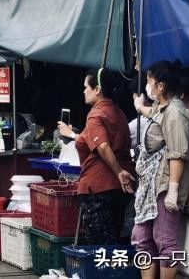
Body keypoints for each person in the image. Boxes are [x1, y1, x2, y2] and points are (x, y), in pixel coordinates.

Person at [57, 68, 135, 245]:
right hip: (119, 188)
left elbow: (102, 145)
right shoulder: (118, 113)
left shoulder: (96, 114)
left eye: (86, 87)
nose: (84, 91)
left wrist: (118, 172)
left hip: (99, 188)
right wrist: (72, 134)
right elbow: (92, 141)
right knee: (114, 238)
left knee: (101, 244)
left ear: (97, 89)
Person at [132, 60, 189, 279]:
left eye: (149, 81)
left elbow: (178, 153)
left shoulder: (176, 113)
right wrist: (140, 108)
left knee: (165, 240)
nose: (147, 86)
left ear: (161, 86)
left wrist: (173, 191)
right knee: (142, 238)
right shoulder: (163, 107)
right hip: (151, 185)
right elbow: (154, 113)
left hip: (165, 184)